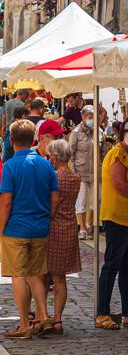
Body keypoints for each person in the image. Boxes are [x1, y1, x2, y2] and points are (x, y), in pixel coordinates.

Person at [0, 119, 59, 338]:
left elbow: (6, 200)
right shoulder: (45, 164)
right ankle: (43, 317)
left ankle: (24, 323)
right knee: (36, 274)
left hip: (15, 228)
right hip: (40, 228)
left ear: (12, 140)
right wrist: (48, 217)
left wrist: (1, 228)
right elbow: (55, 196)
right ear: (34, 139)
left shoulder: (11, 166)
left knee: (18, 275)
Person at [97, 118, 128, 331]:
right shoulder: (118, 154)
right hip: (117, 217)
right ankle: (102, 312)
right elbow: (119, 184)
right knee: (112, 265)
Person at [44, 138, 80, 333]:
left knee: (43, 276)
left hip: (53, 227)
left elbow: (52, 204)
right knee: (60, 278)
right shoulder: (75, 177)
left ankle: (43, 315)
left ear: (55, 157)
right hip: (69, 226)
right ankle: (57, 318)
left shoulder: (54, 177)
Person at [69, 106, 102, 237]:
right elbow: (71, 152)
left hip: (95, 172)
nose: (91, 119)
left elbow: (103, 152)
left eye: (93, 116)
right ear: (83, 117)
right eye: (89, 116)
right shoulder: (76, 132)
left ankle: (90, 224)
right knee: (80, 201)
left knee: (97, 200)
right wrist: (73, 171)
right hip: (80, 172)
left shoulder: (99, 132)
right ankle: (81, 228)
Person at [1, 91, 28, 162]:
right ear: (23, 95)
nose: (27, 98)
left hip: (8, 128)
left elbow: (4, 117)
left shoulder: (7, 103)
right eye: (27, 96)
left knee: (7, 153)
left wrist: (3, 127)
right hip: (19, 129)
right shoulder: (23, 105)